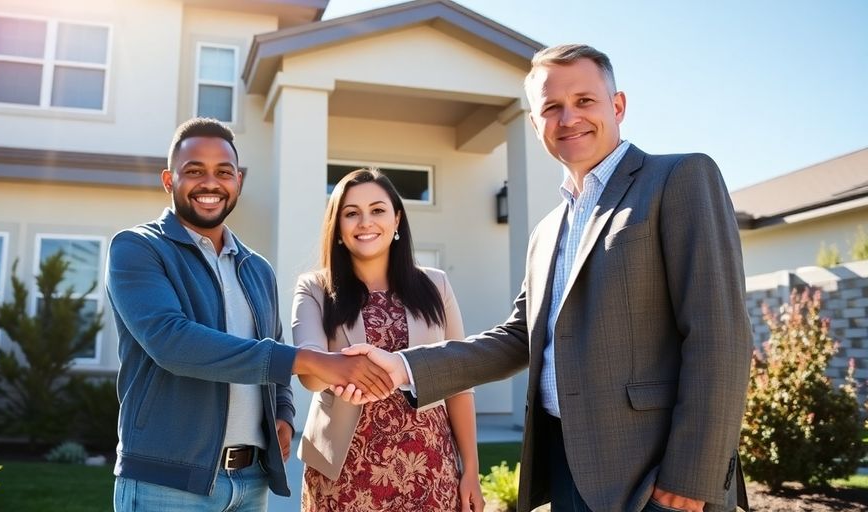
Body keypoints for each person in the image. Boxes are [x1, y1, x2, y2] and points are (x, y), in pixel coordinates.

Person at [343, 44, 752, 512]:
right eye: (551, 108)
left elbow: (719, 336)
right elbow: (519, 337)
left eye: (584, 101)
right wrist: (404, 367)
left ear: (617, 106)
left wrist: (689, 481)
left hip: (654, 476)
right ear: (536, 124)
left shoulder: (678, 179)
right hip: (566, 465)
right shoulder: (546, 230)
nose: (568, 118)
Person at [106, 117, 393, 512]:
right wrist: (307, 360)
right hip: (167, 484)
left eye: (223, 172)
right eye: (194, 171)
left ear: (238, 180)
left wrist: (284, 414)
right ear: (169, 180)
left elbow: (273, 351)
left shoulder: (257, 269)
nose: (211, 183)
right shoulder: (138, 249)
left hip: (250, 482)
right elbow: (172, 342)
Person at [292, 169, 485, 512]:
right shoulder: (314, 289)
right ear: (337, 228)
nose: (366, 222)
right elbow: (309, 371)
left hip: (428, 466)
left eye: (378, 210)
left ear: (397, 219)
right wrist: (345, 369)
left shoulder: (436, 285)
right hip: (344, 475)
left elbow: (459, 380)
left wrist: (470, 469)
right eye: (352, 213)